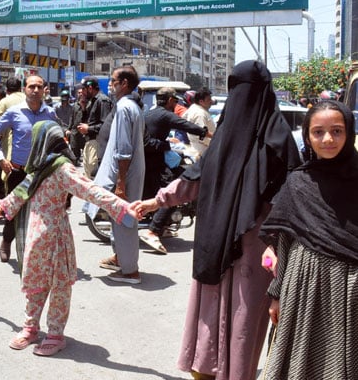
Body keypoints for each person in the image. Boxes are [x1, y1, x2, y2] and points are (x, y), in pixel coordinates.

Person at [132, 60, 301, 380]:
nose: (241, 98)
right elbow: (193, 180)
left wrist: (280, 246)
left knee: (241, 323)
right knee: (222, 324)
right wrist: (156, 200)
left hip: (257, 251)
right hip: (225, 245)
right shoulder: (239, 138)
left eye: (243, 89)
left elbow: (294, 199)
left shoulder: (271, 141)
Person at [0, 120, 135, 356]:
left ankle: (56, 334)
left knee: (58, 285)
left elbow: (91, 190)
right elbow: (18, 195)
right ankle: (31, 328)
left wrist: (121, 207)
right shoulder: (39, 168)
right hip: (35, 237)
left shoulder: (62, 168)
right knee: (34, 283)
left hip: (56, 235)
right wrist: (0, 205)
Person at [259, 100, 358, 379]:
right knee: (301, 362)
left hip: (351, 290)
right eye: (318, 132)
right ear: (307, 137)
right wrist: (276, 296)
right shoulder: (298, 182)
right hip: (304, 286)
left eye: (337, 131)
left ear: (349, 133)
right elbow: (285, 243)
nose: (328, 139)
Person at [0, 75, 57, 263]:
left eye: (39, 86)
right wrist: (1, 158)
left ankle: (34, 250)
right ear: (24, 89)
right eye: (31, 86)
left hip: (41, 173)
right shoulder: (14, 112)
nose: (35, 90)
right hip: (18, 172)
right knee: (13, 211)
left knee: (40, 213)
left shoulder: (50, 113)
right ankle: (6, 241)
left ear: (44, 90)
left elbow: (56, 140)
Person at [91, 65, 145, 284]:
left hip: (124, 175)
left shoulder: (124, 107)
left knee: (124, 221)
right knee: (121, 220)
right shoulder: (130, 105)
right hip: (128, 173)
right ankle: (122, 259)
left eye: (113, 80)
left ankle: (130, 271)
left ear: (124, 83)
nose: (110, 84)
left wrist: (121, 184)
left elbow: (123, 150)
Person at [139, 87, 208, 254]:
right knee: (173, 190)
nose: (176, 104)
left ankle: (164, 224)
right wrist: (205, 132)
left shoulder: (150, 113)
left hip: (150, 160)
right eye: (175, 101)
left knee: (177, 177)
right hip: (155, 162)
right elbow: (184, 125)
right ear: (170, 100)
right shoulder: (164, 114)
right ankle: (153, 231)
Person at [77, 76, 113, 178]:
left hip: (97, 143)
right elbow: (88, 121)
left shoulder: (102, 101)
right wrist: (83, 109)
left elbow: (106, 125)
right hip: (89, 142)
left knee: (94, 176)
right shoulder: (92, 101)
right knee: (88, 175)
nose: (81, 92)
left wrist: (88, 129)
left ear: (90, 88)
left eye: (83, 89)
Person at [183, 87, 215, 159]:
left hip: (198, 147)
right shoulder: (200, 113)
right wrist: (215, 141)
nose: (211, 101)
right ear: (201, 101)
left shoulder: (194, 108)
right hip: (202, 150)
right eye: (208, 100)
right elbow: (202, 135)